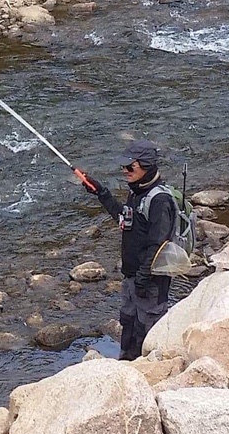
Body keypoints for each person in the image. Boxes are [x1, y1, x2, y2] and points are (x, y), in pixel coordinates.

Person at [75, 140, 176, 360]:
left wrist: (142, 279)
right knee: (129, 326)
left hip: (150, 284)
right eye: (124, 166)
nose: (124, 170)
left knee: (147, 332)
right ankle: (126, 364)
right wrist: (102, 193)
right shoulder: (137, 192)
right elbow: (125, 220)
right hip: (132, 279)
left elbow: (158, 244)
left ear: (146, 165)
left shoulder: (160, 200)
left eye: (130, 166)